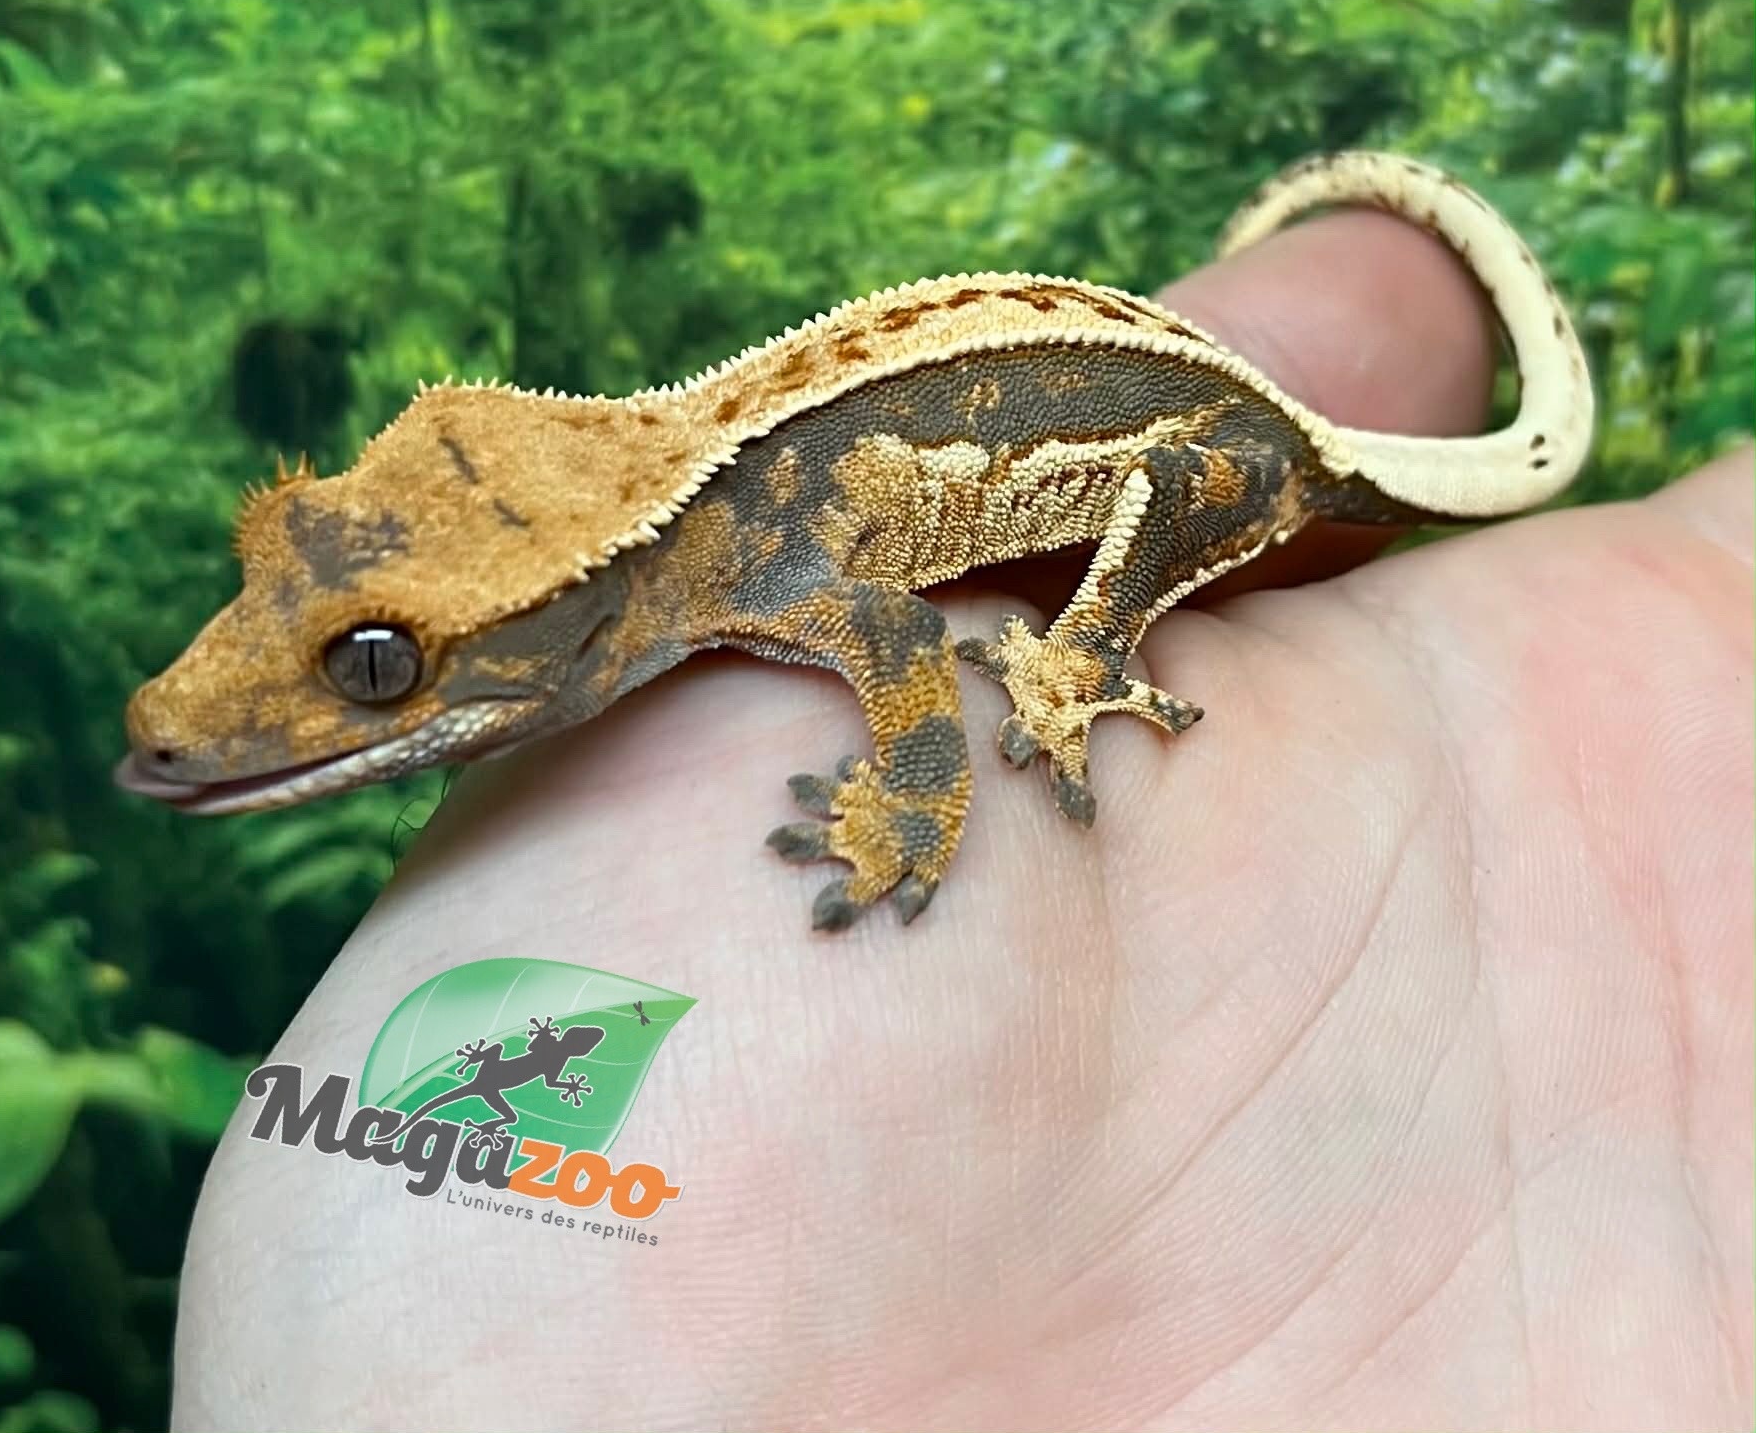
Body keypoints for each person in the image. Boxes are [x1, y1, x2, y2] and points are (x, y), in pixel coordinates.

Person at [171, 206, 1753, 1432]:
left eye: (379, 665)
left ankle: (1091, 653)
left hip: (1222, 457)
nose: (202, 718)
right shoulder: (696, 540)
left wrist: (921, 804)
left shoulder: (763, 558)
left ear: (575, 597)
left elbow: (913, 656)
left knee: (1113, 579)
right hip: (1112, 396)